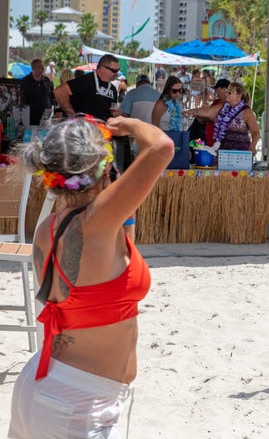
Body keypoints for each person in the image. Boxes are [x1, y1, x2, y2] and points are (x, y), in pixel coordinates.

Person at [8, 114, 174, 438]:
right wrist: (129, 125)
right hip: (77, 405)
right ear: (103, 168)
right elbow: (161, 147)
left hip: (43, 386)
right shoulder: (96, 222)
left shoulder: (49, 229)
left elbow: (108, 269)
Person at [54, 55, 133, 175]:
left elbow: (108, 111)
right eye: (114, 70)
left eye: (117, 70)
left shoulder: (112, 89)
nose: (116, 74)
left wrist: (118, 114)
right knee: (82, 173)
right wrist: (73, 115)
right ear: (102, 69)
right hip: (83, 137)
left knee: (100, 173)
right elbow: (59, 92)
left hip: (101, 139)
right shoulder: (86, 81)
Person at [184, 82, 260, 155]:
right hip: (223, 150)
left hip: (240, 151)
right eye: (227, 91)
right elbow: (208, 111)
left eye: (230, 92)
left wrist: (252, 146)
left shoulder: (247, 111)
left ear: (239, 95)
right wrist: (191, 112)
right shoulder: (223, 107)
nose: (226, 94)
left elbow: (255, 132)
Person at [20, 59, 54, 126]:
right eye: (40, 66)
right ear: (33, 68)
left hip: (46, 118)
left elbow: (51, 97)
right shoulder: (25, 81)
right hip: (31, 118)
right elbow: (23, 99)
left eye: (43, 66)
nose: (43, 68)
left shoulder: (47, 81)